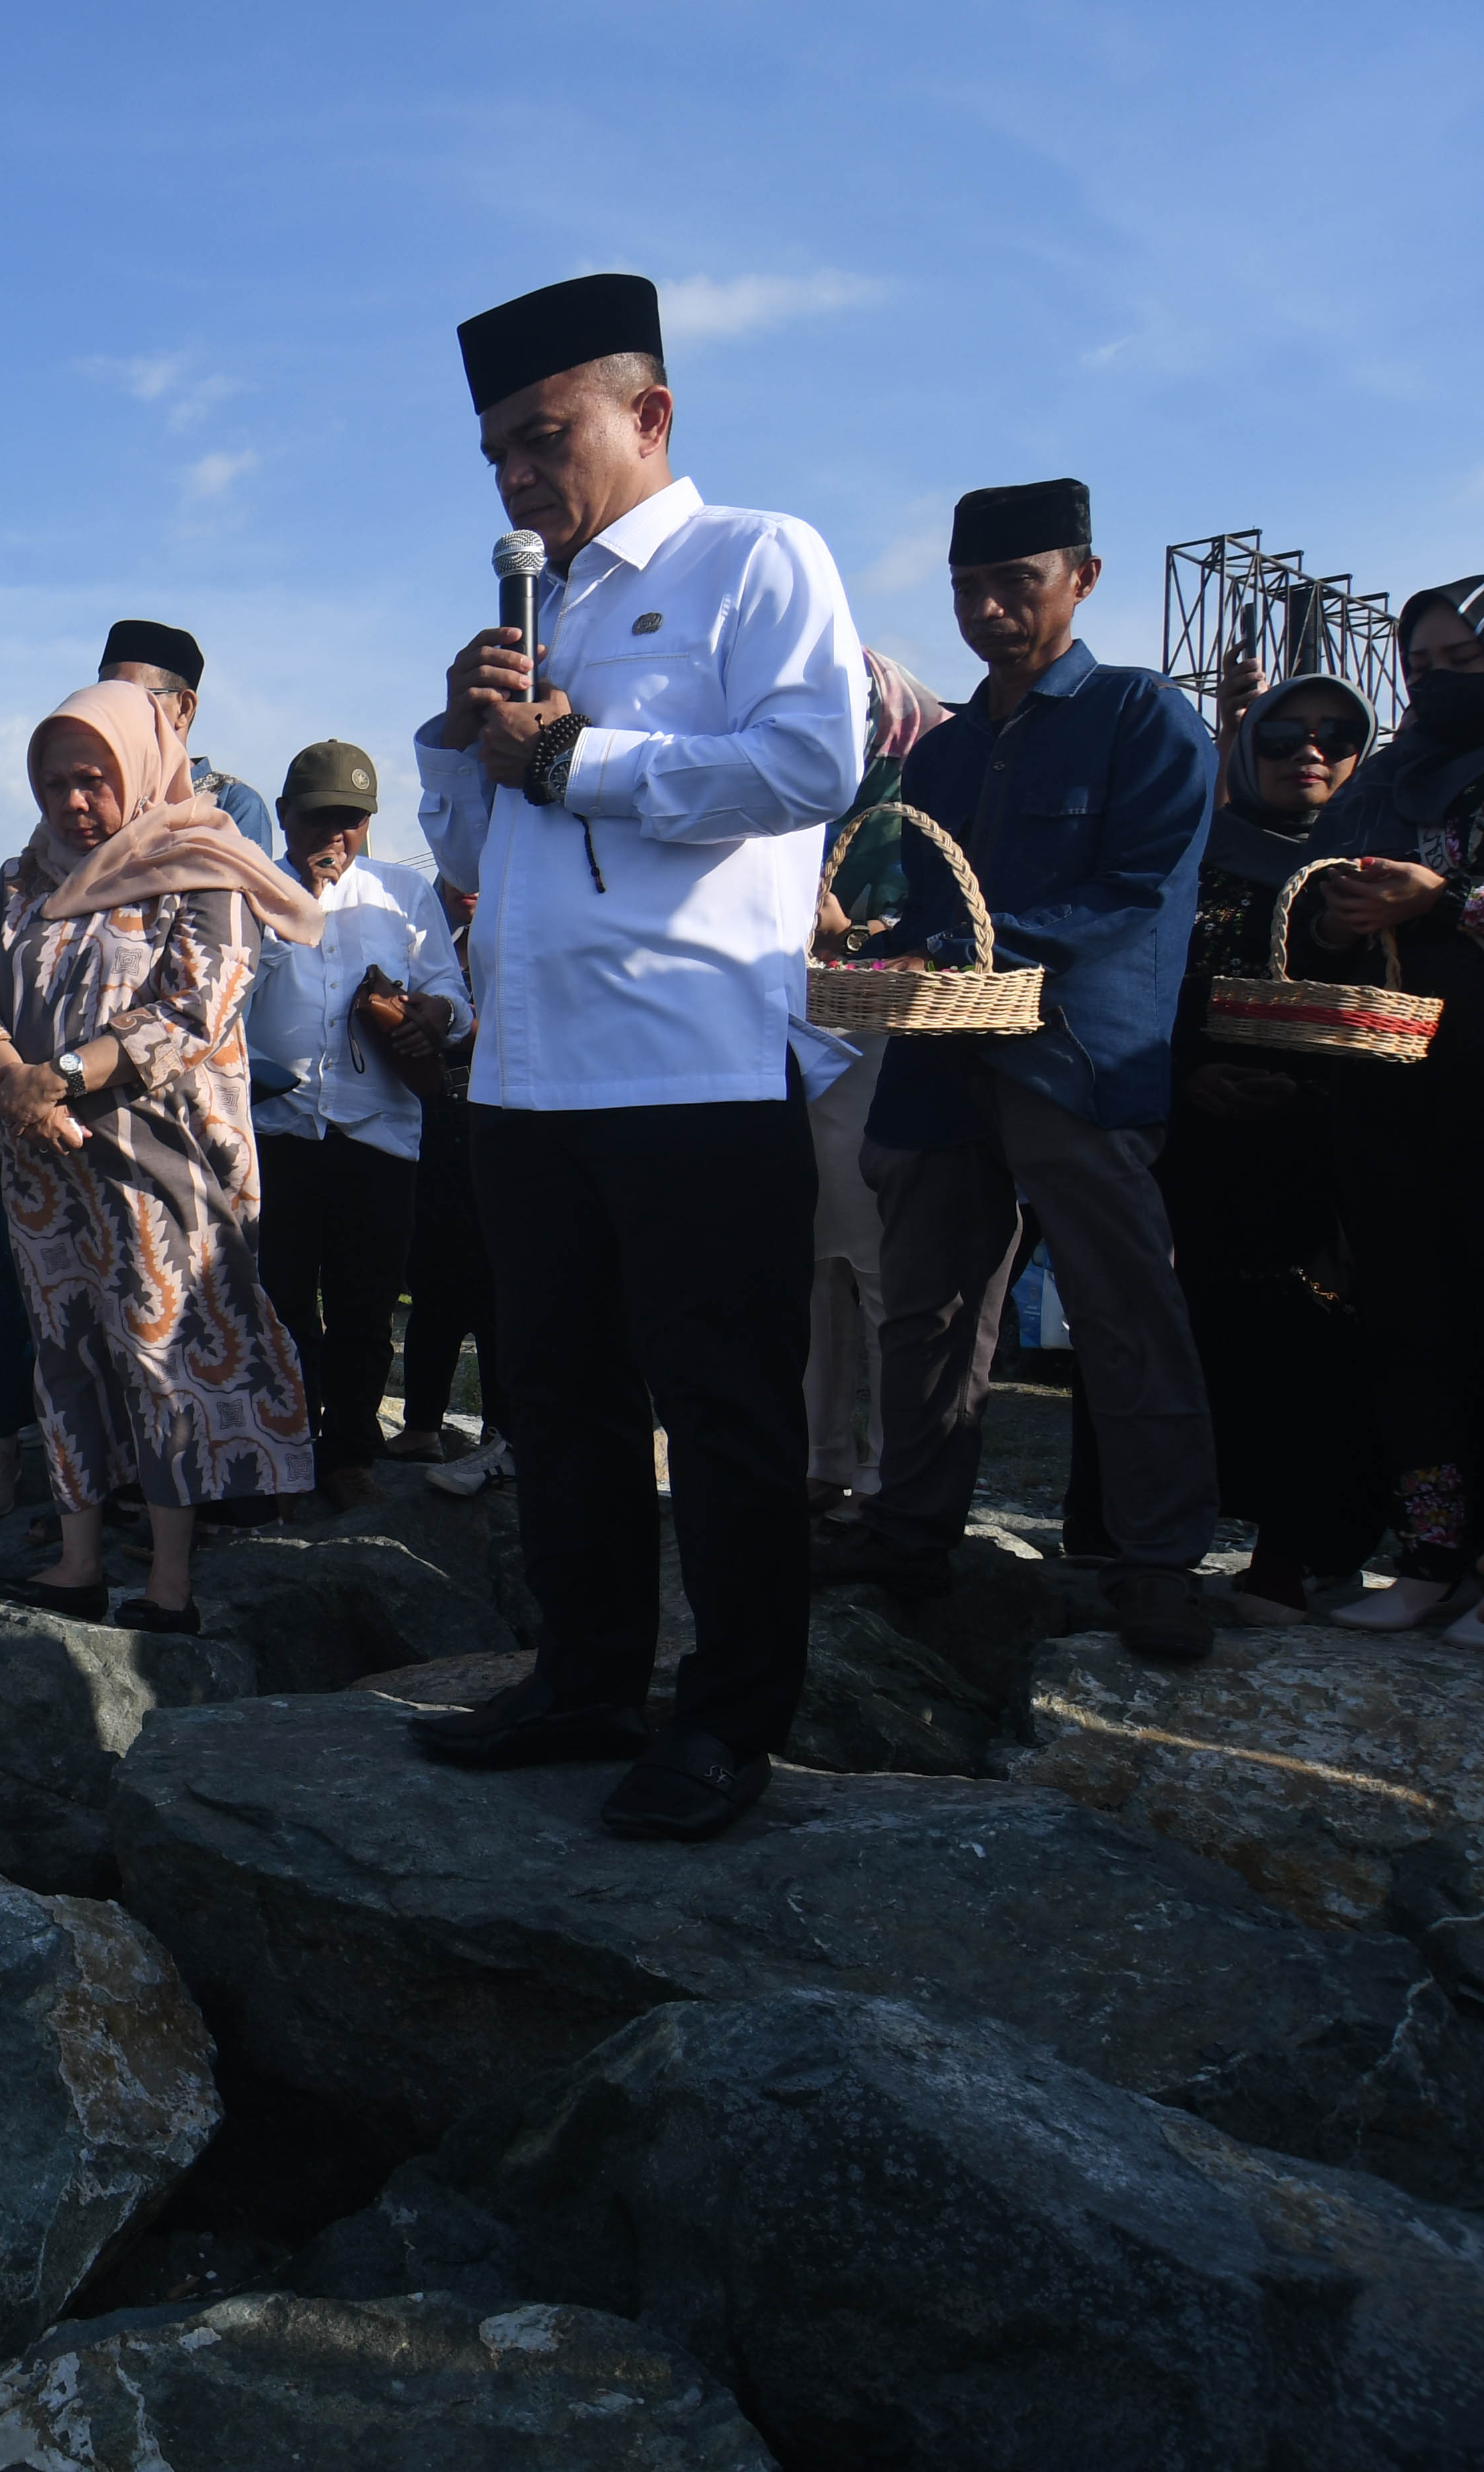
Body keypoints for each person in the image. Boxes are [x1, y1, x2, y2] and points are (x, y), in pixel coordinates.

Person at [403, 271, 867, 1843]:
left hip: (695, 1070)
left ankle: (730, 1718)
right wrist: (459, 743)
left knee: (724, 1411)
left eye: (545, 436)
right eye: (495, 454)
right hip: (528, 1078)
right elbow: (479, 855)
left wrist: (581, 756)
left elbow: (813, 759)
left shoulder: (755, 557)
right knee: (556, 1399)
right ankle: (584, 1675)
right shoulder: (542, 612)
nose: (517, 476)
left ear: (649, 413)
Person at [816, 480, 1220, 1667]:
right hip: (941, 1055)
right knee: (926, 1305)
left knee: (1121, 1302)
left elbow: (1140, 891)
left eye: (1016, 583)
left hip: (1079, 1055)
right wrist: (881, 950)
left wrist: (970, 950)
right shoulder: (941, 752)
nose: (988, 609)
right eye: (967, 589)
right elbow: (927, 905)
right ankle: (910, 1530)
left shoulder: (1144, 716)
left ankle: (1157, 1562)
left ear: (1082, 580)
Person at [0, 682, 326, 1626]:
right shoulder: (19, 881)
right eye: (54, 784)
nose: (75, 802)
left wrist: (62, 1075)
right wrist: (10, 1074)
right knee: (64, 1351)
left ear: (142, 766)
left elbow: (198, 1008)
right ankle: (78, 1561)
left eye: (94, 779)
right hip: (43, 1165)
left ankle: (169, 1581)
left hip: (160, 1161)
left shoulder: (201, 865)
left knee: (163, 1355)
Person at [1128, 671, 1381, 1622]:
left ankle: (1300, 1555)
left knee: (1320, 1343)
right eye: (1281, 737)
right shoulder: (1191, 857)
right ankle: (1151, 1540)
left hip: (1332, 1143)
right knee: (1183, 1329)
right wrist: (1193, 1073)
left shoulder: (1378, 870)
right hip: (1199, 1132)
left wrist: (1311, 1093)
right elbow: (1149, 981)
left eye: (1335, 736)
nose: (1308, 753)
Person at [1294, 574, 1484, 1644]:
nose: (1440, 684)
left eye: (1465, 663)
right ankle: (1432, 1558)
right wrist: (1341, 920)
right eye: (1422, 668)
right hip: (1392, 1081)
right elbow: (1313, 918)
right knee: (1410, 1316)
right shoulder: (1386, 782)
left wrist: (1445, 898)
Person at [245, 739, 471, 1511]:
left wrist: (431, 1014)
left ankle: (347, 1452)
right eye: (319, 818)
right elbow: (226, 1000)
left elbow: (452, 995)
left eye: (351, 820)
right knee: (279, 1299)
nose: (334, 836)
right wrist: (291, 917)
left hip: (377, 1131)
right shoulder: (251, 890)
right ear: (285, 816)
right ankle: (285, 1445)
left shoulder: (400, 894)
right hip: (276, 1127)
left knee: (365, 1303)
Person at [802, 647, 954, 1522]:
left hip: (881, 1039)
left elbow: (943, 919)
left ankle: (887, 1475)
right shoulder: (794, 788)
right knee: (811, 1262)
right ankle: (820, 1458)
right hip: (792, 1033)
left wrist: (852, 934)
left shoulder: (917, 789)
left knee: (876, 1264)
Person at [391, 878, 515, 1496]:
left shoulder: (512, 945)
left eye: (481, 878)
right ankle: (421, 1424)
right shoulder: (421, 949)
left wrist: (450, 1024)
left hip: (499, 1124)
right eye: (458, 877)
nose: (470, 889)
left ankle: (502, 1431)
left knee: (496, 1289)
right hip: (432, 1125)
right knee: (432, 1282)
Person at [99, 619, 281, 856]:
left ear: (184, 709)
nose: (111, 709)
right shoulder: (88, 795)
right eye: (103, 696)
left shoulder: (231, 803)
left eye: (128, 697)